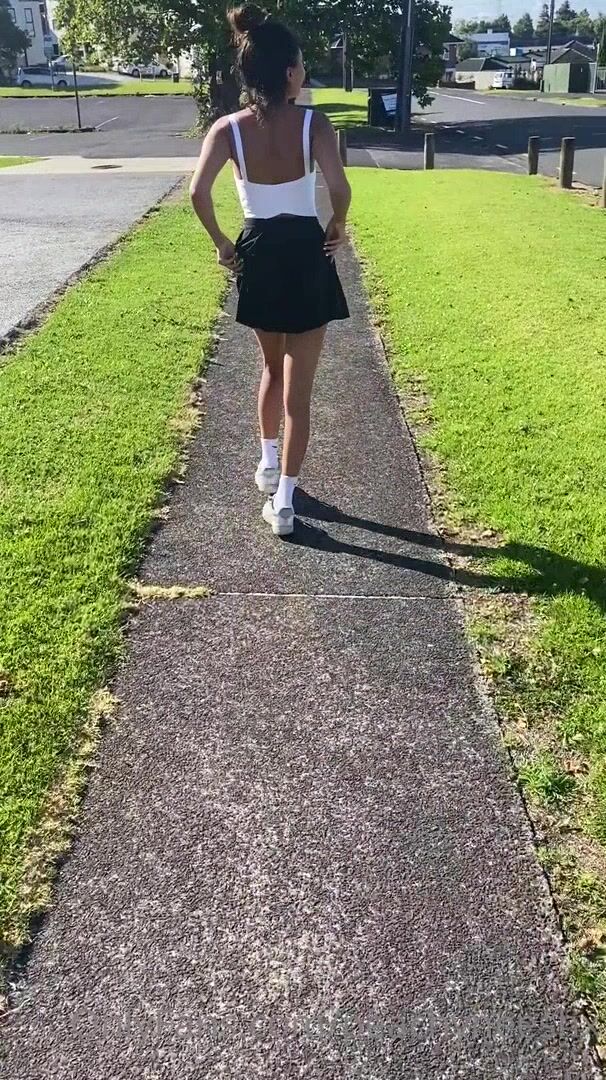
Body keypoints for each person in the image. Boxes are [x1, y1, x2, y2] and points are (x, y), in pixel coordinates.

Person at [190, 3, 351, 537]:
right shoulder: (314, 123)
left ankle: (266, 462)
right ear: (287, 72)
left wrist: (222, 244)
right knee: (299, 392)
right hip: (306, 251)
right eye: (301, 64)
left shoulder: (228, 129)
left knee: (270, 368)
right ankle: (284, 502)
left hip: (257, 251)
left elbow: (198, 193)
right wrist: (337, 225)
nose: (304, 72)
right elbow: (340, 187)